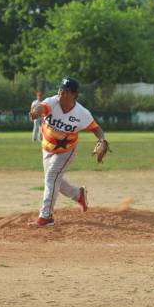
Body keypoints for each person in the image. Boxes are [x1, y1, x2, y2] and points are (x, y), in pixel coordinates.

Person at [29, 77, 107, 226]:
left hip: (67, 151)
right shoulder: (53, 102)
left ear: (73, 94)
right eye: (60, 89)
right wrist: (35, 111)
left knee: (51, 177)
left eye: (64, 91)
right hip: (47, 148)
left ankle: (46, 216)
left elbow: (96, 129)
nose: (60, 93)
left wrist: (102, 140)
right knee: (54, 180)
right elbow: (41, 108)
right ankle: (78, 194)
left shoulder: (82, 113)